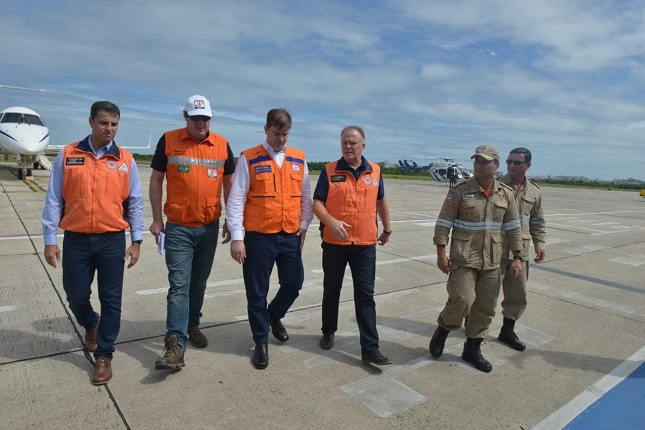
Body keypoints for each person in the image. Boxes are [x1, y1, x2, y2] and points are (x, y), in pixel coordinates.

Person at [42, 101, 144, 385]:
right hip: (76, 239)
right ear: (90, 122)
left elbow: (135, 203)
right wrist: (50, 240)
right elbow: (53, 200)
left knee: (112, 300)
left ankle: (104, 356)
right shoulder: (68, 155)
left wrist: (136, 240)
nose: (108, 129)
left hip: (112, 240)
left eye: (113, 124)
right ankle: (90, 323)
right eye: (103, 123)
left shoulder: (126, 160)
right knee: (75, 294)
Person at [149, 95, 235, 370]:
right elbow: (156, 180)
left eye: (205, 118)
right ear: (185, 116)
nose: (200, 123)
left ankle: (193, 325)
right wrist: (156, 219)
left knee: (199, 282)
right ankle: (175, 345)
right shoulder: (169, 140)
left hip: (208, 227)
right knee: (178, 285)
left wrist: (231, 220)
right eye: (195, 117)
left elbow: (230, 184)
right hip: (178, 228)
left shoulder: (222, 145)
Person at [227, 108, 313, 370]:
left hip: (289, 235)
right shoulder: (249, 158)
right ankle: (261, 341)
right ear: (266, 129)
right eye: (277, 134)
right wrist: (237, 238)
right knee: (257, 292)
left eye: (286, 134)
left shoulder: (299, 158)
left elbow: (306, 196)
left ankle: (273, 315)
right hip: (258, 237)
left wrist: (304, 225)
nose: (282, 139)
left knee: (294, 283)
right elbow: (236, 199)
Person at [429, 144, 523, 373]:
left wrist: (518, 257)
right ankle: (443, 328)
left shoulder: (506, 194)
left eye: (485, 161)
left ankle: (472, 348)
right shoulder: (460, 190)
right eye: (477, 160)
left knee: (485, 308)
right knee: (462, 300)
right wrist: (441, 252)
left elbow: (513, 227)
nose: (480, 164)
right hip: (464, 259)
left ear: (496, 165)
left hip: (493, 260)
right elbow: (444, 222)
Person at [312, 125, 393, 365]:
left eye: (353, 143)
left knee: (365, 296)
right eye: (344, 142)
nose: (348, 146)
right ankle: (328, 330)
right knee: (332, 289)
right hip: (335, 242)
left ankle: (370, 348)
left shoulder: (375, 171)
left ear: (363, 146)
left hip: (365, 244)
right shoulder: (329, 170)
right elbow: (317, 203)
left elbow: (381, 201)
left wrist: (387, 228)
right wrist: (330, 221)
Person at [497, 148, 546, 351]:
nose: (511, 166)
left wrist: (540, 243)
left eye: (517, 162)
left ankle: (507, 331)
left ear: (528, 165)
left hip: (521, 252)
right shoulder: (495, 185)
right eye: (509, 162)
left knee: (517, 294)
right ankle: (473, 325)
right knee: (484, 293)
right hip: (495, 249)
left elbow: (537, 220)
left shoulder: (534, 192)